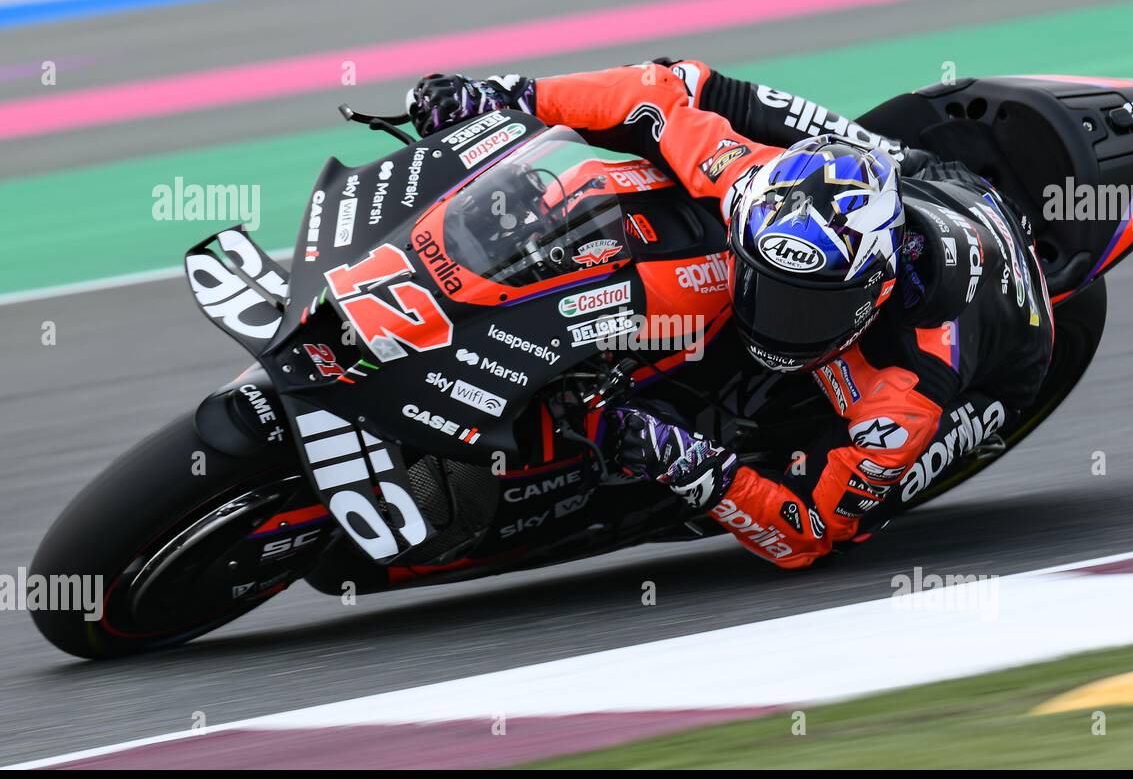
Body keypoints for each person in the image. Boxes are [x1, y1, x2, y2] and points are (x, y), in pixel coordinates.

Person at [406, 60, 1054, 568]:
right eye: (770, 287)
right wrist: (509, 95)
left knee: (796, 474)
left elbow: (811, 536)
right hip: (920, 175)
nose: (778, 319)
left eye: (807, 305)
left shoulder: (905, 393)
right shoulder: (746, 178)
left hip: (1010, 367)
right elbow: (655, 92)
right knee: (699, 98)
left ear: (871, 293)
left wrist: (688, 463)